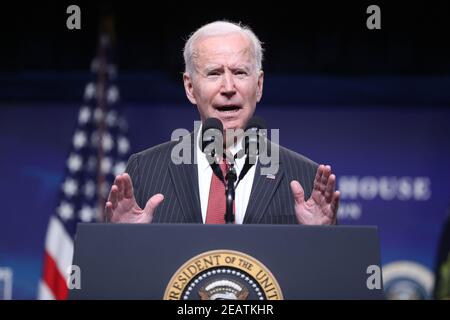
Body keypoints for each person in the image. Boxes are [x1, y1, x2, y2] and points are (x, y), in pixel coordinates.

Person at [105, 20, 340, 225]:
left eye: (239, 72)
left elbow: (325, 270)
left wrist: (321, 238)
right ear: (190, 87)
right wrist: (125, 238)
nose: (228, 88)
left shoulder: (304, 176)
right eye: (214, 73)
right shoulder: (144, 171)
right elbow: (123, 268)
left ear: (258, 86)